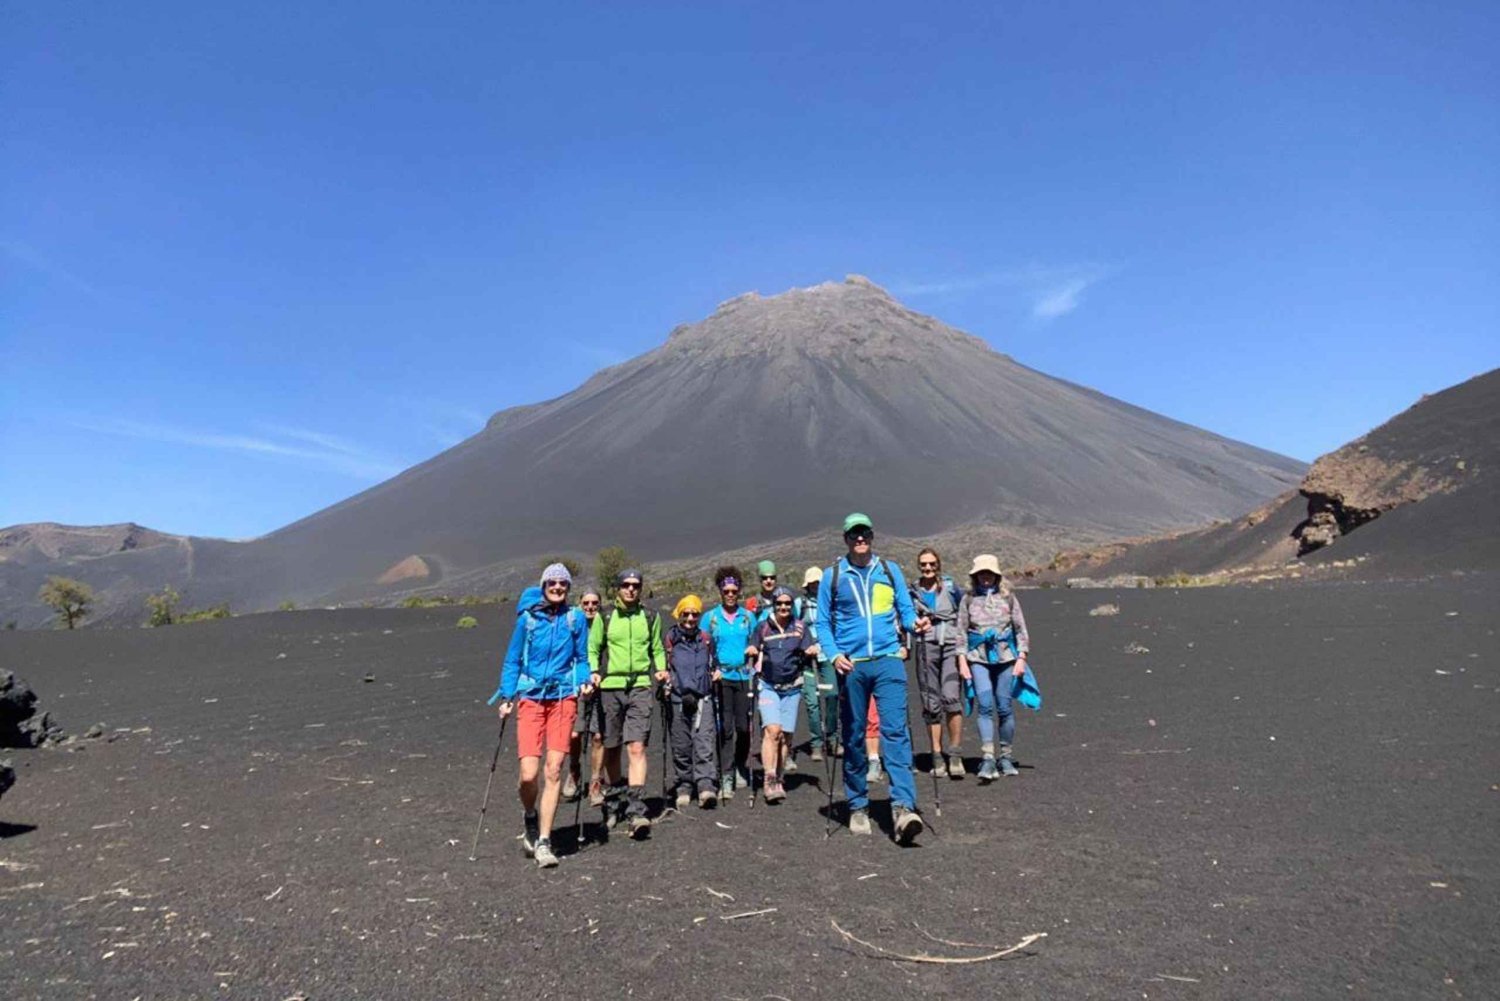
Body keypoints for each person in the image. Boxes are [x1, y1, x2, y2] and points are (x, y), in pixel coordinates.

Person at [815, 512, 928, 844]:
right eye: (853, 534)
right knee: (852, 735)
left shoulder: (889, 572)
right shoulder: (832, 576)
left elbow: (905, 611)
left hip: (889, 660)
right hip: (853, 665)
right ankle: (858, 805)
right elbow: (823, 623)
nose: (859, 538)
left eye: (864, 532)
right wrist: (835, 654)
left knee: (896, 732)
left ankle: (903, 808)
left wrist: (914, 624)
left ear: (872, 535)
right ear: (845, 539)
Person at [490, 565, 592, 868]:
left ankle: (545, 841)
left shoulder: (575, 619)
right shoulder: (528, 620)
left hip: (563, 698)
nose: (558, 587)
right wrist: (508, 696)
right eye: (552, 582)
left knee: (554, 769)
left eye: (563, 583)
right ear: (544, 584)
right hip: (532, 698)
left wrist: (583, 679)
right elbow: (511, 659)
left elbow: (582, 657)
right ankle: (530, 815)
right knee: (528, 774)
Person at [588, 568, 667, 838]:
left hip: (640, 687)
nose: (631, 589)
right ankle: (613, 801)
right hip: (611, 686)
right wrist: (594, 671)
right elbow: (593, 647)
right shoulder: (605, 616)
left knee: (636, 746)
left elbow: (656, 647)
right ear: (618, 588)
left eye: (636, 585)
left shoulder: (650, 616)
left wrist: (661, 668)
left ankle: (636, 809)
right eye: (626, 585)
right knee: (611, 747)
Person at [957, 554, 1032, 782]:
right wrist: (962, 661)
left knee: (1005, 707)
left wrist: (1021, 657)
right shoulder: (968, 599)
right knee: (985, 705)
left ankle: (1006, 756)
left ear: (997, 575)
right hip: (978, 658)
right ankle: (988, 756)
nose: (985, 577)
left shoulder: (1009, 598)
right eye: (981, 573)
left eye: (989, 573)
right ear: (975, 575)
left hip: (1006, 659)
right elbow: (960, 631)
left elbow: (1020, 628)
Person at [751, 586, 819, 803]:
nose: (783, 607)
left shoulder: (800, 628)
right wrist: (751, 651)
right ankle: (769, 779)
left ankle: (779, 776)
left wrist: (812, 650)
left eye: (787, 603)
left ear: (792, 605)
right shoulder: (763, 628)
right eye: (779, 603)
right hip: (768, 685)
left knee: (786, 737)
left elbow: (809, 647)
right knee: (773, 731)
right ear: (774, 605)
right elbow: (752, 645)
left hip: (792, 687)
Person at [909, 549, 967, 779]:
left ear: (938, 565)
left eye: (932, 564)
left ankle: (955, 753)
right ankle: (936, 754)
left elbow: (964, 615)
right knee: (931, 701)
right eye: (924, 564)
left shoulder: (951, 588)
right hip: (926, 646)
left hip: (951, 644)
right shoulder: (912, 592)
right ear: (918, 566)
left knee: (951, 698)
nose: (928, 568)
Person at [703, 566, 759, 800]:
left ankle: (739, 765)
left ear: (739, 591)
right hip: (722, 678)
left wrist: (755, 654)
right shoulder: (710, 618)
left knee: (744, 727)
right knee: (724, 728)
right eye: (726, 590)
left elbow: (757, 642)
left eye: (734, 590)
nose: (730, 594)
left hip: (744, 676)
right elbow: (702, 646)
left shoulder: (748, 617)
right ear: (720, 590)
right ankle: (726, 774)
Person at [663, 595, 721, 808]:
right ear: (678, 614)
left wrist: (717, 673)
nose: (689, 618)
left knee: (704, 741)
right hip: (678, 698)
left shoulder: (705, 639)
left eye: (694, 614)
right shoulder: (670, 638)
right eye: (685, 614)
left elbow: (714, 662)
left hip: (702, 697)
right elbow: (663, 665)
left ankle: (706, 785)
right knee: (681, 744)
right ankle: (684, 785)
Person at [795, 567, 839, 762]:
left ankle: (832, 736)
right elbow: (794, 628)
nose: (815, 586)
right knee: (812, 702)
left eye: (818, 583)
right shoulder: (800, 604)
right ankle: (816, 743)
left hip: (827, 655)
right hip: (806, 659)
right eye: (812, 583)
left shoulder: (831, 603)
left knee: (832, 695)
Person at [567, 591, 605, 804]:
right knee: (574, 734)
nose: (590, 607)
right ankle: (574, 771)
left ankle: (595, 782)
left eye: (594, 603)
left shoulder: (605, 625)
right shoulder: (573, 625)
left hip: (600, 685)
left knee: (598, 736)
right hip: (576, 686)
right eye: (586, 603)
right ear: (580, 605)